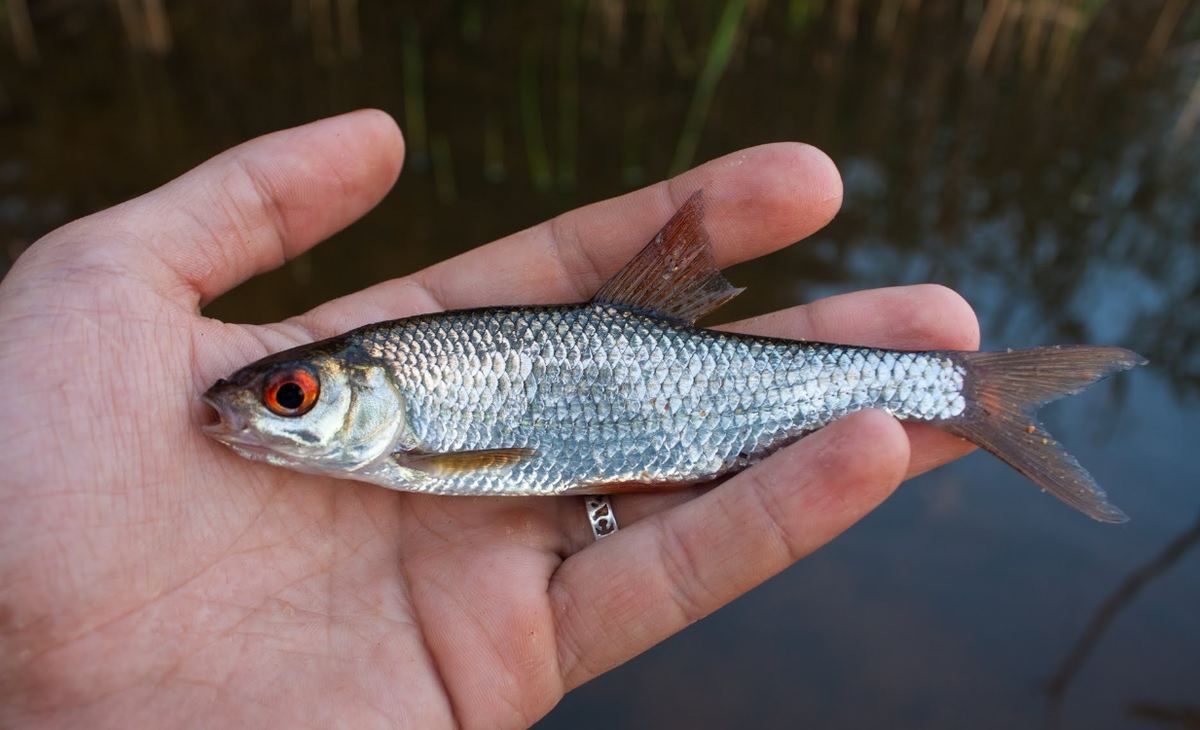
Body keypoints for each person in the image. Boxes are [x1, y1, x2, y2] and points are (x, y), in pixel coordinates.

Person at [0, 110, 978, 729]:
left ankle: (965, 392)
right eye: (286, 397)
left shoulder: (420, 447)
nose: (256, 411)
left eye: (291, 397)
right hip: (635, 382)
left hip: (649, 372)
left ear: (366, 392)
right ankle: (958, 391)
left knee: (906, 379)